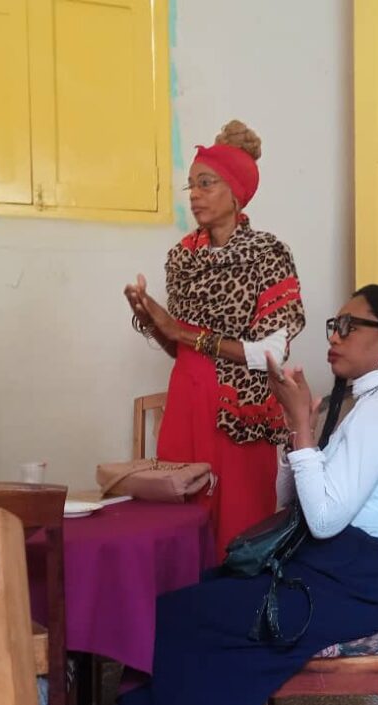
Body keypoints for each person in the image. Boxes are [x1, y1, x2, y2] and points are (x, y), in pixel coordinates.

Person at [112, 284, 378, 705]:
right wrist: (296, 433)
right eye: (334, 325)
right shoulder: (369, 404)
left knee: (171, 620)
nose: (333, 336)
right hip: (331, 571)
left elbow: (324, 520)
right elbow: (294, 504)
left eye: (348, 326)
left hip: (350, 587)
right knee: (184, 608)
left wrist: (302, 430)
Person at [125, 120, 306, 560]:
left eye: (206, 183)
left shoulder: (268, 254)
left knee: (238, 530)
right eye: (191, 185)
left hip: (238, 411)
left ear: (236, 192)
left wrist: (182, 331)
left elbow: (271, 352)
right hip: (186, 400)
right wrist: (151, 318)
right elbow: (178, 347)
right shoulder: (182, 258)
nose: (195, 195)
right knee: (180, 521)